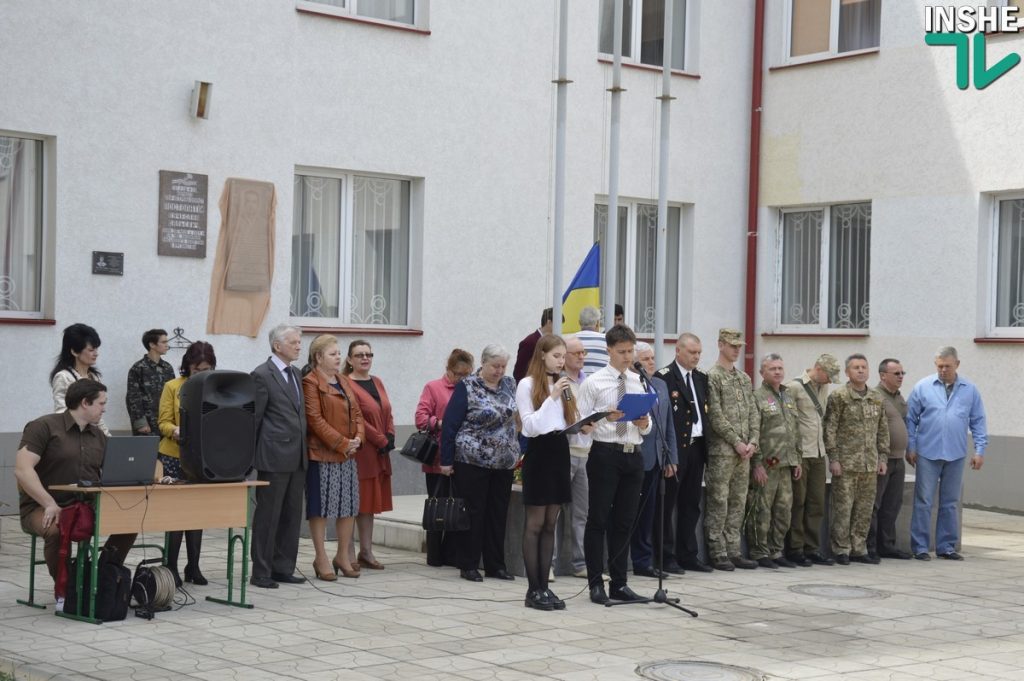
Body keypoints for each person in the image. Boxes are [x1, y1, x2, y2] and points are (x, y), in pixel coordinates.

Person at [15, 379, 136, 602]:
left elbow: (115, 471)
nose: (104, 408)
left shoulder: (98, 435)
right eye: (101, 403)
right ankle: (68, 590)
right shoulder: (43, 426)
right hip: (42, 506)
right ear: (85, 403)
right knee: (55, 529)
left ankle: (98, 576)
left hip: (85, 505)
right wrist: (49, 503)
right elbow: (23, 470)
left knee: (129, 523)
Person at [577, 324, 651, 604]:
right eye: (622, 352)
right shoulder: (594, 382)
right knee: (598, 519)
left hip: (633, 454)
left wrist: (644, 423)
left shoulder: (637, 381)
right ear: (609, 350)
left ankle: (620, 583)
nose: (627, 357)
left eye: (631, 351)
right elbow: (582, 423)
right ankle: (596, 583)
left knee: (624, 522)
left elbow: (647, 425)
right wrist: (604, 418)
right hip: (605, 453)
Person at [440, 344, 519, 583]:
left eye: (503, 366)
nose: (499, 371)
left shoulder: (510, 384)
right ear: (483, 364)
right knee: (474, 513)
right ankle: (469, 564)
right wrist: (446, 460)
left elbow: (518, 417)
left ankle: (496, 565)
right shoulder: (467, 386)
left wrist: (520, 447)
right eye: (495, 366)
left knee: (497, 513)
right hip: (472, 458)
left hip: (504, 461)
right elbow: (450, 424)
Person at [906, 346, 988, 561]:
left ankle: (946, 546)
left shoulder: (969, 389)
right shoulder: (923, 387)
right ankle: (921, 547)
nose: (943, 370)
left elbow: (978, 421)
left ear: (957, 365)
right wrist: (911, 447)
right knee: (923, 501)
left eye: (947, 366)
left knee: (950, 502)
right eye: (940, 366)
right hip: (927, 453)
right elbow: (910, 419)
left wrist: (979, 450)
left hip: (956, 453)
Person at [302, 335, 364, 580]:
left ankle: (342, 555)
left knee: (347, 506)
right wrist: (342, 443)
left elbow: (357, 412)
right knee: (320, 507)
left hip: (348, 454)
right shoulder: (310, 382)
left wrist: (358, 438)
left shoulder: (342, 380)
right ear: (318, 357)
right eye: (333, 354)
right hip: (323, 454)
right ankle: (321, 557)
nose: (338, 357)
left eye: (339, 353)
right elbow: (315, 420)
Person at [250, 324, 308, 589]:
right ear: (277, 346)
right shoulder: (262, 375)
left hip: (297, 455)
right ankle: (261, 570)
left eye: (299, 341)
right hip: (273, 455)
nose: (298, 345)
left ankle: (283, 567)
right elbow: (255, 418)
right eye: (294, 342)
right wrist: (251, 457)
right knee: (268, 515)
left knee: (291, 514)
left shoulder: (296, 373)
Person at [156, 341, 216, 587]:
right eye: (198, 369)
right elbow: (162, 422)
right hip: (173, 454)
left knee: (196, 513)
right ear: (188, 367)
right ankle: (170, 566)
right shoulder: (173, 386)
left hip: (201, 457)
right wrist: (174, 430)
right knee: (176, 515)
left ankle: (194, 565)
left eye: (207, 369)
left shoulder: (215, 388)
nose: (202, 374)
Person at [656, 331, 713, 574]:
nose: (696, 357)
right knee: (668, 504)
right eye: (692, 352)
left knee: (691, 503)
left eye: (699, 352)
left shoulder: (701, 378)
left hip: (698, 446)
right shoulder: (665, 377)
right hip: (677, 448)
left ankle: (688, 554)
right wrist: (668, 453)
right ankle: (665, 556)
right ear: (678, 351)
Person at [824, 354, 889, 566]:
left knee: (864, 509)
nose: (860, 371)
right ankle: (841, 549)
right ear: (847, 372)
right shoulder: (839, 397)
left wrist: (882, 458)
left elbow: (882, 430)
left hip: (869, 464)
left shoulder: (876, 397)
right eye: (855, 367)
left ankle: (858, 548)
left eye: (863, 367)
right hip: (846, 464)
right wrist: (833, 458)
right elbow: (830, 429)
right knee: (843, 509)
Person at [705, 328, 759, 571]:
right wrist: (736, 441)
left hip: (744, 451)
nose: (736, 349)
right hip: (723, 451)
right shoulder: (712, 376)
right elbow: (715, 415)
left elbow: (753, 412)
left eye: (739, 345)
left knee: (738, 500)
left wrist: (753, 441)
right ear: (720, 345)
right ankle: (717, 551)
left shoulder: (744, 378)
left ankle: (734, 549)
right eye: (731, 345)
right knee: (719, 500)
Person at [415, 348, 474, 568]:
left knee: (458, 507)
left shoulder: (470, 389)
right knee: (438, 505)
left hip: (463, 458)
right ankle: (435, 555)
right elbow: (420, 418)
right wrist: (442, 423)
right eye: (458, 374)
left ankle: (453, 553)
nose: (462, 379)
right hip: (439, 457)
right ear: (448, 369)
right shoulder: (433, 387)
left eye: (466, 375)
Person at [747, 353, 802, 569]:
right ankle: (759, 551)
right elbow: (754, 431)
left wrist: (796, 459)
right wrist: (757, 463)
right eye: (772, 369)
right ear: (762, 373)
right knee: (762, 510)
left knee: (784, 511)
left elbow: (795, 431)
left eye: (780, 368)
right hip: (767, 465)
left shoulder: (788, 396)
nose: (777, 372)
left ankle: (776, 550)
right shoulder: (757, 397)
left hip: (786, 464)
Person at [784, 353, 839, 567]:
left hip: (818, 452)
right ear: (817, 368)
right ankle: (795, 548)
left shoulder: (823, 387)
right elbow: (789, 424)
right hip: (802, 453)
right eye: (829, 375)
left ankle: (812, 547)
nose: (830, 380)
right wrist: (794, 456)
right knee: (798, 502)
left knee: (816, 503)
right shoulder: (794, 387)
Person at [345, 339, 396, 570]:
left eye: (368, 354)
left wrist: (391, 434)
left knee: (370, 504)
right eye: (359, 355)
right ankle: (348, 552)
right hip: (362, 450)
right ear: (349, 360)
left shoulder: (377, 381)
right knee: (356, 503)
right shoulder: (346, 383)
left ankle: (367, 551)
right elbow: (357, 417)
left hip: (380, 451)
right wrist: (380, 439)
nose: (365, 358)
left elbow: (388, 411)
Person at [629, 342, 677, 579]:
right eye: (645, 359)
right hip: (636, 456)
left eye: (652, 358)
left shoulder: (659, 385)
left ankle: (644, 560)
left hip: (658, 458)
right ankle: (631, 558)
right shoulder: (630, 384)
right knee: (632, 512)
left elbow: (668, 425)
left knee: (649, 513)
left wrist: (671, 456)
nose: (651, 363)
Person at [868, 358, 912, 560]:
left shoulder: (899, 398)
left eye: (903, 373)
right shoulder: (875, 396)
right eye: (897, 373)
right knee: (874, 504)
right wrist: (879, 457)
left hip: (898, 459)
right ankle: (871, 546)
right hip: (882, 459)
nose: (901, 377)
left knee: (892, 504)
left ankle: (887, 545)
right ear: (883, 375)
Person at [561, 334, 592, 578]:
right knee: (554, 512)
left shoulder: (588, 382)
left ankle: (580, 563)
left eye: (584, 353)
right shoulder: (560, 383)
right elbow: (563, 418)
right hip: (565, 452)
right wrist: (579, 424)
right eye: (577, 353)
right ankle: (548, 564)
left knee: (581, 512)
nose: (582, 357)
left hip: (585, 451)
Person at [50, 323, 111, 436]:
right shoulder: (63, 377)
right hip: (74, 436)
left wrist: (107, 438)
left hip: (93, 435)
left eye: (96, 349)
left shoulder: (94, 376)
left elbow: (98, 413)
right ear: (74, 351)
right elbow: (62, 412)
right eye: (91, 350)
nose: (96, 354)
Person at [126, 329, 175, 436]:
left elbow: (174, 394)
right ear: (152, 344)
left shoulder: (168, 368)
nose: (167, 345)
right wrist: (140, 423)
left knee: (165, 452)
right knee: (147, 452)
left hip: (166, 422)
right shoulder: (138, 368)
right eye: (164, 342)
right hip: (147, 424)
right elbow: (133, 397)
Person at [513, 307, 553, 382]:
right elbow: (519, 371)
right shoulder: (529, 342)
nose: (560, 328)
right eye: (558, 324)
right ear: (549, 322)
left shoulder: (551, 341)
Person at [575, 306, 609, 377]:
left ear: (579, 322)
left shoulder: (570, 340)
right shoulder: (607, 340)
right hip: (601, 383)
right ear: (597, 323)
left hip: (577, 384)